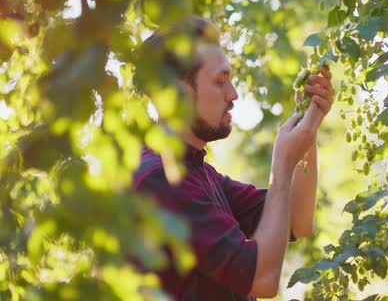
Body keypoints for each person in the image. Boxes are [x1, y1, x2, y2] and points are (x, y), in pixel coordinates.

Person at [132, 16, 335, 300]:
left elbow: (298, 220)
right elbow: (262, 281)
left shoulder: (201, 173)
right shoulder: (160, 180)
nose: (234, 94)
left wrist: (307, 126)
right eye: (220, 82)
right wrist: (281, 164)